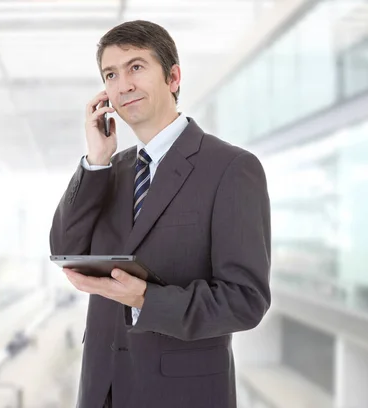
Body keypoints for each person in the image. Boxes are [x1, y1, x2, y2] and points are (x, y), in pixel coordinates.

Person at [49, 20, 271, 408]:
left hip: (183, 394)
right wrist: (95, 160)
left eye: (136, 67)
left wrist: (145, 299)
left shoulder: (231, 168)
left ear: (173, 77)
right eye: (110, 74)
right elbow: (65, 248)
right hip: (102, 389)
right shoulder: (109, 170)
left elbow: (245, 300)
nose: (123, 85)